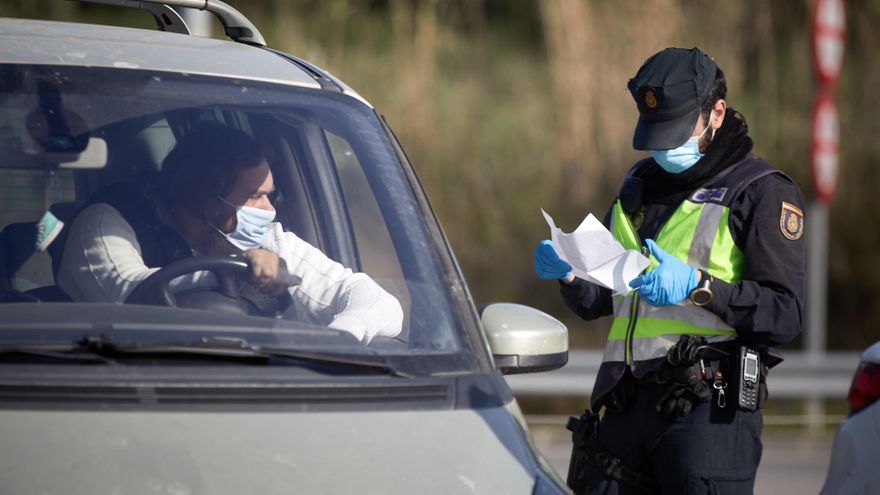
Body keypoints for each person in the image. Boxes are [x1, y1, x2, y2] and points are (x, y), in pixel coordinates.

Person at [535, 48, 805, 493]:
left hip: (706, 415)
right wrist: (570, 273)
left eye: (675, 131)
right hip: (625, 409)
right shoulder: (638, 187)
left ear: (716, 113)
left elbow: (785, 313)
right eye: (656, 134)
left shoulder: (761, 192)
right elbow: (604, 298)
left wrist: (699, 286)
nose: (663, 146)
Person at [57, 124, 403, 344]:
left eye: (271, 194)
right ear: (208, 201)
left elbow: (376, 301)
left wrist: (340, 340)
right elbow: (125, 295)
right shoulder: (104, 224)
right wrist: (236, 272)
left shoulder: (263, 239)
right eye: (255, 196)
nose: (269, 210)